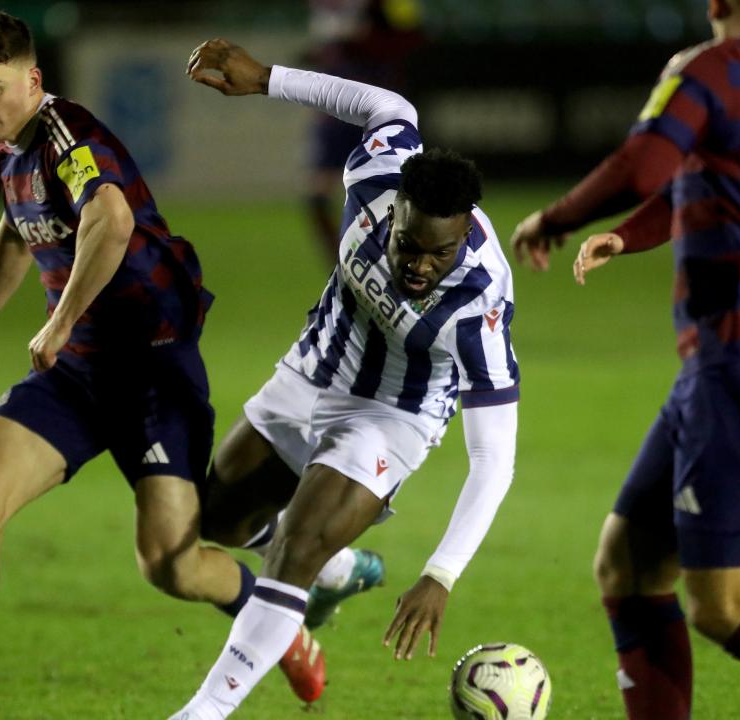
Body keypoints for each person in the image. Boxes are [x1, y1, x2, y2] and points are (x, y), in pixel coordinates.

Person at [0, 12, 323, 720]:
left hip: (153, 371)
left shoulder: (69, 136)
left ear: (33, 79)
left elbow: (111, 218)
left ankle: (278, 624)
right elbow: (18, 226)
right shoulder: (9, 147)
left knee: (172, 564)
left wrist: (59, 320)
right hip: (76, 374)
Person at [510, 1, 740, 718]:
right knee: (630, 564)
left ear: (716, 5)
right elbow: (697, 176)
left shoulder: (711, 69)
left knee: (728, 603)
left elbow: (646, 163)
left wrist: (559, 216)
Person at [170, 39, 519, 719]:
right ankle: (334, 569)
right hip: (317, 364)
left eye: (439, 254)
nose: (420, 266)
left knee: (293, 547)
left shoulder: (480, 305)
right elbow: (386, 105)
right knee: (216, 516)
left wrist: (440, 575)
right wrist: (266, 79)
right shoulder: (375, 174)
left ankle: (202, 712)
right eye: (409, 246)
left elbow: (494, 460)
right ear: (393, 211)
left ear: (463, 240)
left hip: (393, 414)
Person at [304, 0, 425, 265]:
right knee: (317, 197)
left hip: (377, 107)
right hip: (336, 109)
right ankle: (342, 267)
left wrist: (362, 41)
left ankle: (399, 262)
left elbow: (413, 37)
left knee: (394, 195)